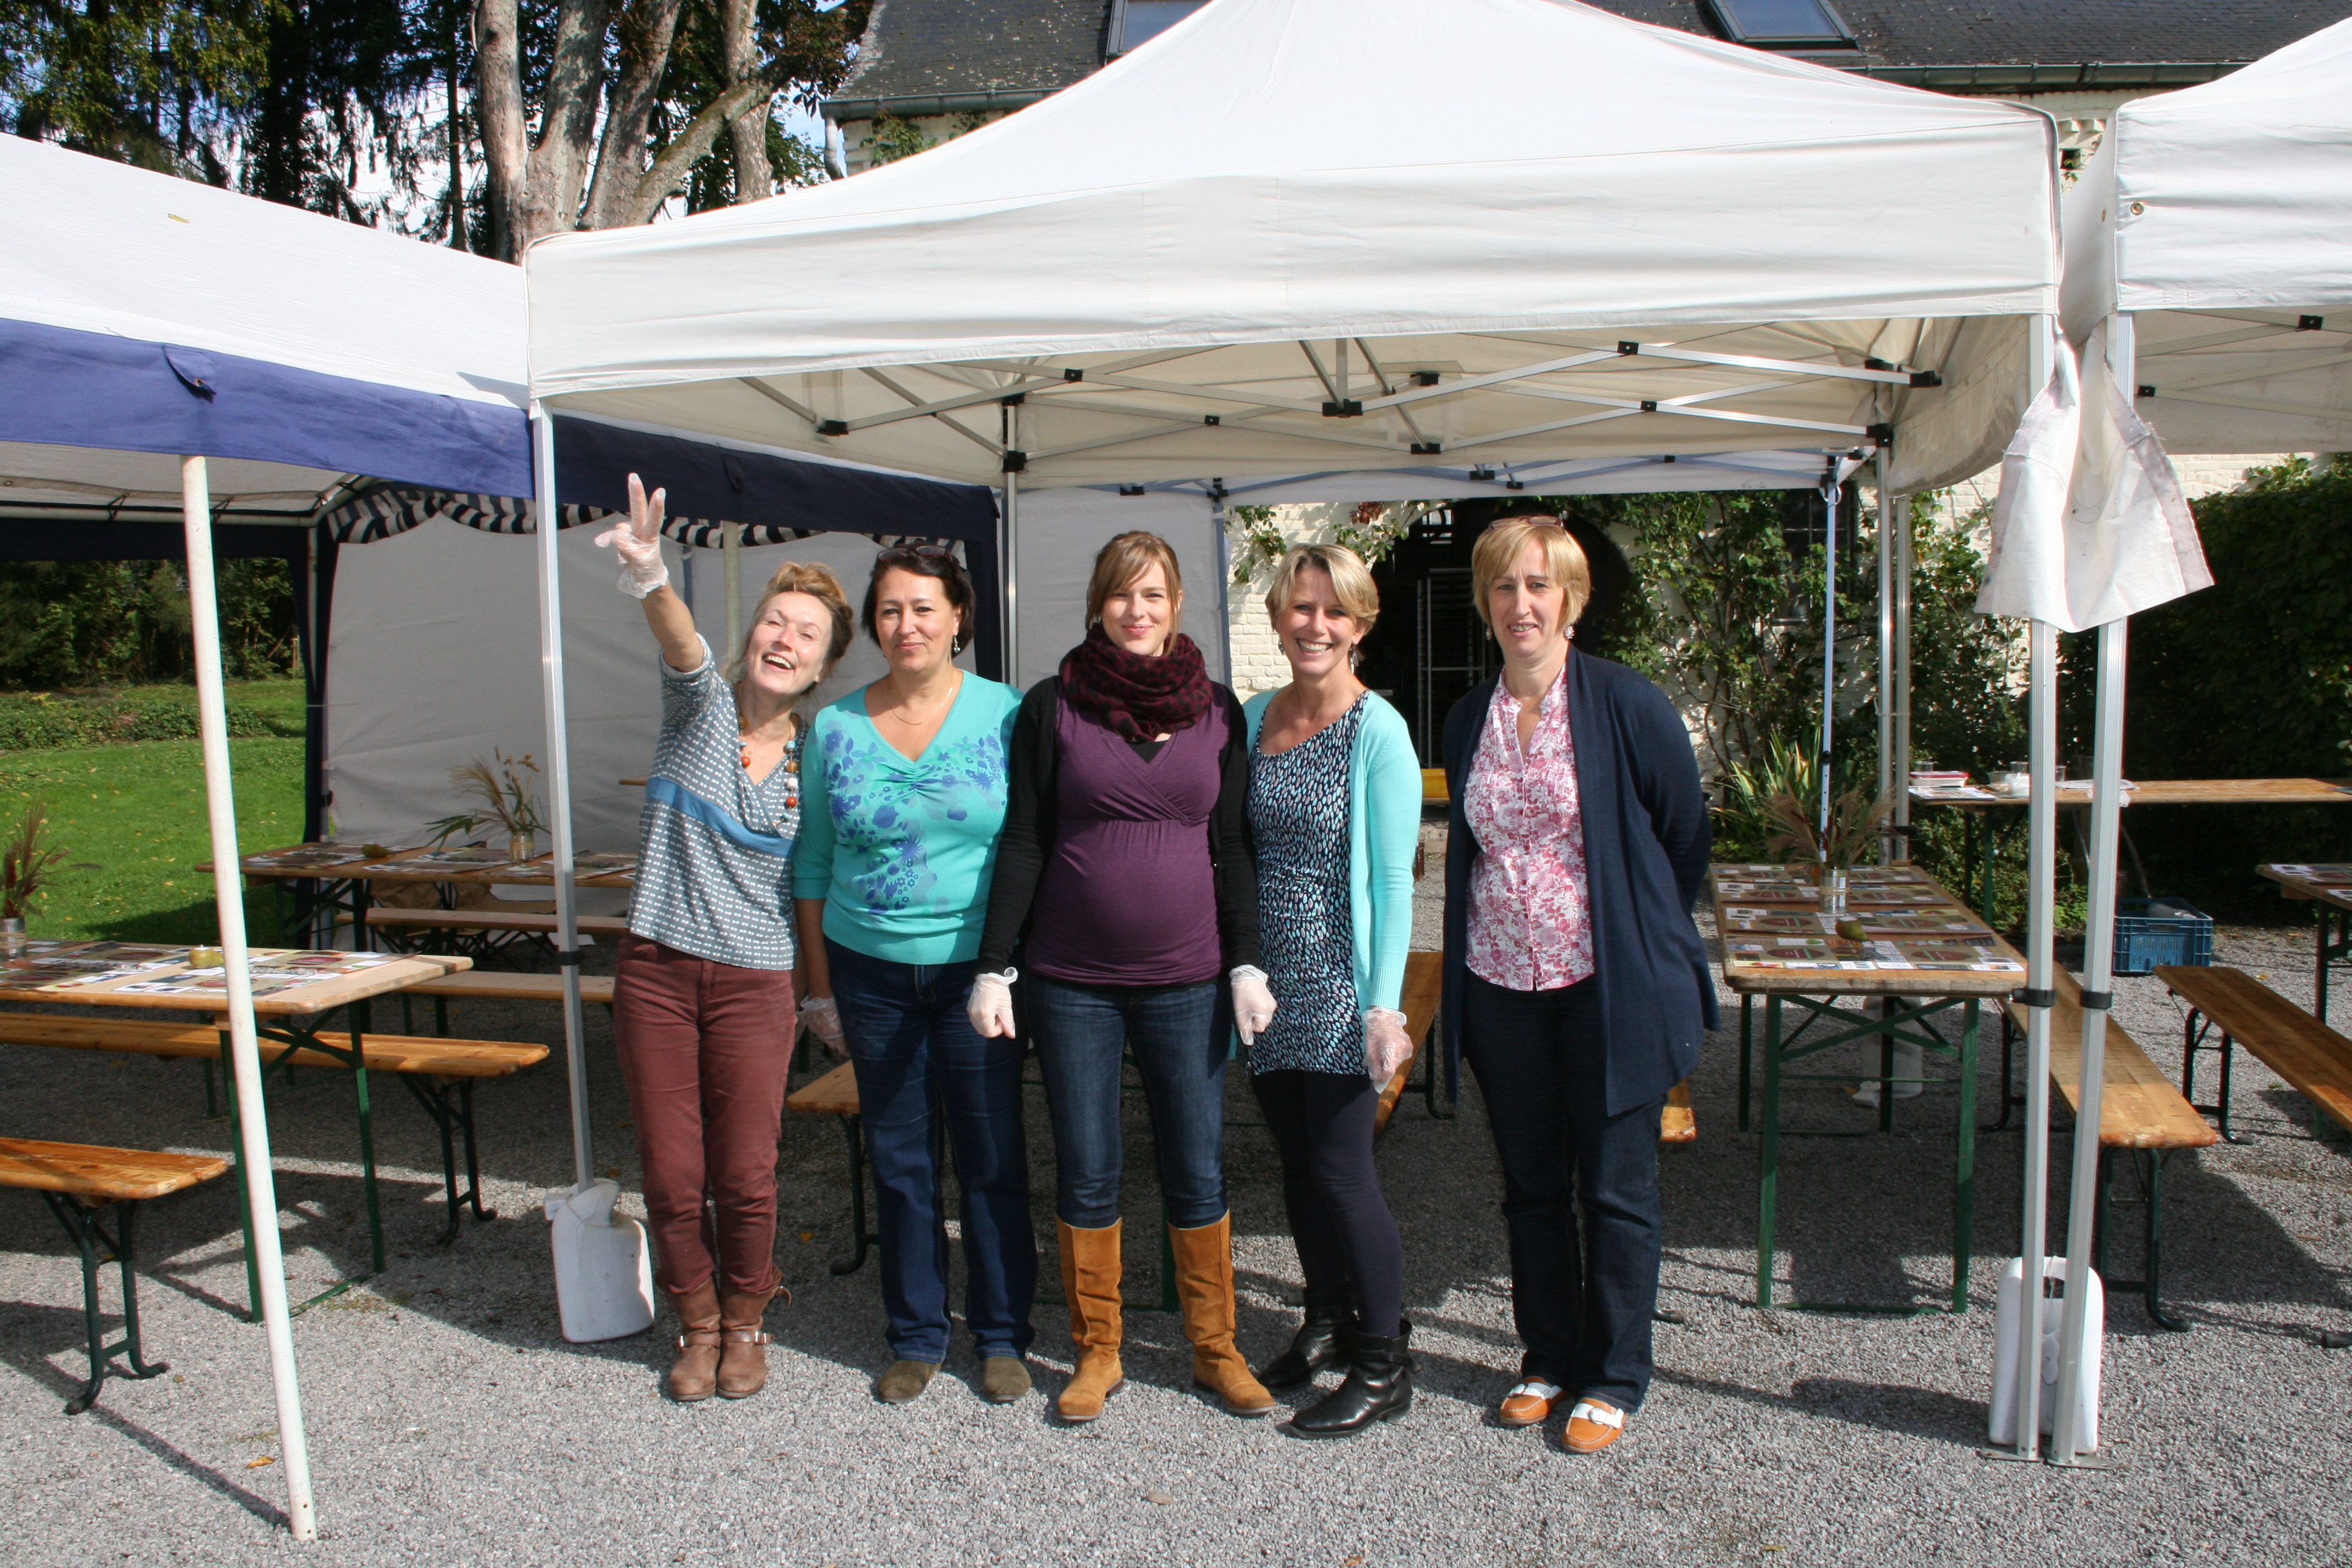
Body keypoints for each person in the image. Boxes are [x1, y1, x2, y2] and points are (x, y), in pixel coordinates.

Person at [972, 531, 1276, 1423]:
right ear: (1097, 605)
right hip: (1071, 981)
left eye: (1152, 595)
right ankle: (1096, 1351)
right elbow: (1024, 838)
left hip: (1187, 979)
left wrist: (1246, 958)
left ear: (1175, 605)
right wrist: (994, 966)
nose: (1136, 611)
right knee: (1088, 1168)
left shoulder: (1218, 710)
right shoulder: (1053, 705)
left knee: (1197, 1165)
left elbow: (1232, 845)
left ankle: (1215, 1349)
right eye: (1120, 594)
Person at [1439, 514, 1713, 1455]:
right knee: (1530, 1188)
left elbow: (1683, 837)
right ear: (1485, 602)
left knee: (1616, 1190)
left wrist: (1643, 938)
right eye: (1504, 586)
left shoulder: (1626, 703)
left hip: (1605, 986)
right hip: (1498, 983)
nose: (1522, 603)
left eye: (1539, 585)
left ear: (1572, 599)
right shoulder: (1467, 718)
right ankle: (1548, 1359)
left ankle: (1614, 1375)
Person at [596, 475, 855, 1403]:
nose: (785, 639)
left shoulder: (821, 759)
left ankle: (746, 1319)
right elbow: (680, 643)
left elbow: (816, 890)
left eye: (807, 635)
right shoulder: (698, 709)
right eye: (775, 622)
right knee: (673, 1175)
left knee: (745, 1173)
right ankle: (696, 1323)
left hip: (756, 985)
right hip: (657, 974)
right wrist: (650, 574)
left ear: (822, 668)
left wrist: (820, 993)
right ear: (752, 636)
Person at [792, 543, 1034, 1407]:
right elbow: (814, 862)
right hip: (871, 976)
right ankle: (917, 1334)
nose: (907, 625)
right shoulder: (834, 727)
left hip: (980, 975)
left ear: (958, 616)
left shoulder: (1008, 715)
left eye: (924, 607)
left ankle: (1001, 1334)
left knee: (992, 1156)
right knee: (900, 1161)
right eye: (891, 610)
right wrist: (819, 988)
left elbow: (1029, 844)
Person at [1240, 544, 1423, 1438]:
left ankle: (1385, 1361)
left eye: (1334, 610)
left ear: (1360, 624)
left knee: (1346, 1174)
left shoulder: (1377, 729)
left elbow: (1393, 880)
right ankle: (1325, 1321)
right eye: (1301, 607)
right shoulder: (1251, 718)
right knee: (1299, 1166)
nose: (1315, 625)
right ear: (1279, 617)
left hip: (1340, 985)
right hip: (1264, 987)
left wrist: (1382, 1007)